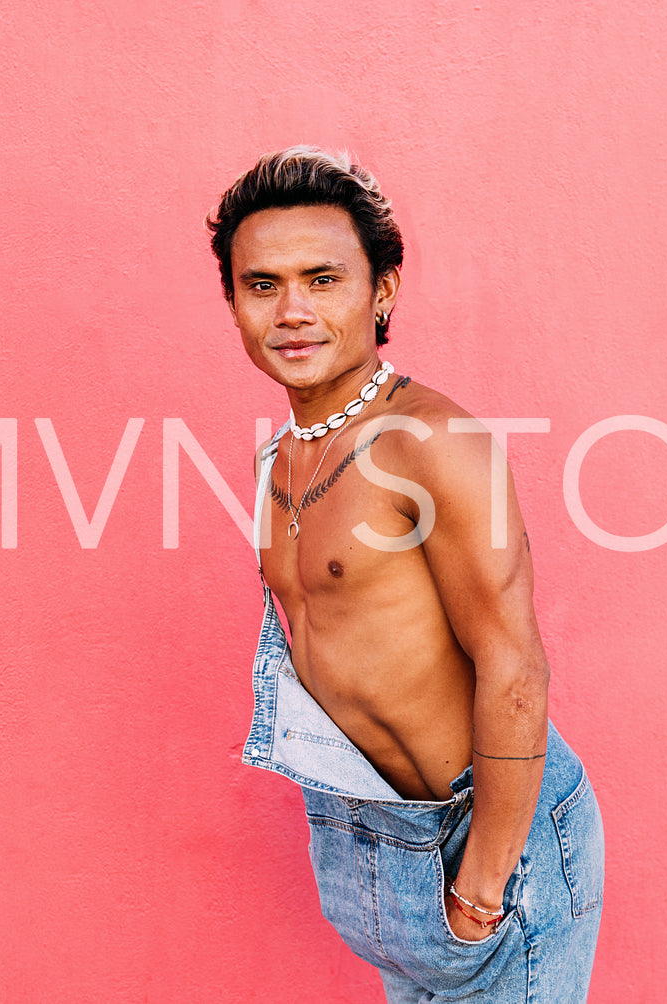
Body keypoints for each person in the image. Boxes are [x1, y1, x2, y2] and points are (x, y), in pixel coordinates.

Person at [207, 147, 604, 1002]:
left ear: (380, 291)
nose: (292, 312)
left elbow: (514, 667)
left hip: (490, 844)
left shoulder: (429, 445)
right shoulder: (276, 459)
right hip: (387, 846)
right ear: (233, 301)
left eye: (323, 279)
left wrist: (480, 891)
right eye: (262, 285)